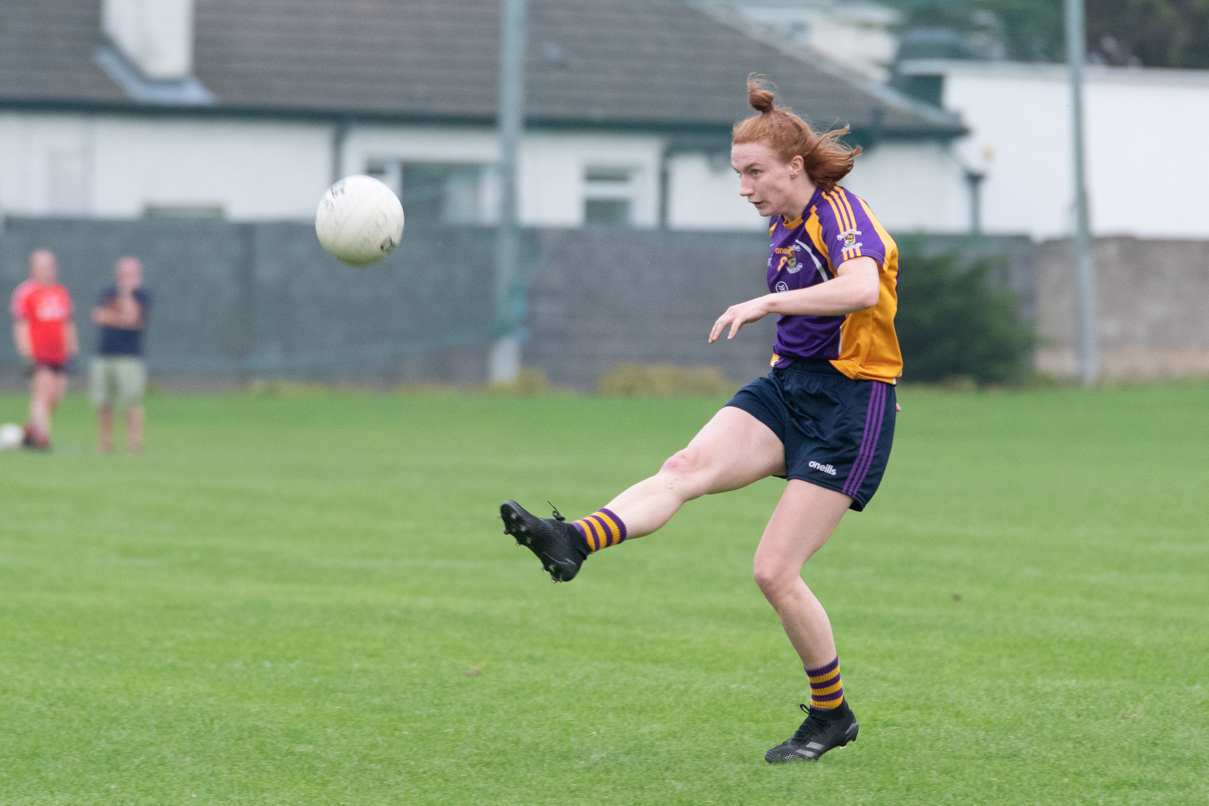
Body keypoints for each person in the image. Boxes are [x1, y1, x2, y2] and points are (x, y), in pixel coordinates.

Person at [498, 77, 904, 764]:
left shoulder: (838, 213)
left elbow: (864, 286)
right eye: (737, 174)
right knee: (682, 468)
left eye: (754, 174)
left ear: (794, 167)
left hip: (850, 407)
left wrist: (766, 304)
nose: (744, 188)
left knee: (774, 571)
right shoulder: (782, 221)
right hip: (787, 390)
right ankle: (572, 540)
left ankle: (831, 715)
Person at [10, 249, 78, 451]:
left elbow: (67, 323)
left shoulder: (61, 292)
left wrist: (72, 348)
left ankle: (30, 432)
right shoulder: (26, 293)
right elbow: (21, 324)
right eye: (41, 267)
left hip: (59, 354)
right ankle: (42, 440)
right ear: (33, 269)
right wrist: (26, 351)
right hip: (39, 354)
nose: (46, 271)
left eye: (49, 267)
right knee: (41, 395)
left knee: (55, 398)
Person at [90, 256, 151, 454]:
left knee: (131, 402)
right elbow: (98, 316)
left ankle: (134, 444)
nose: (127, 278)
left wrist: (125, 295)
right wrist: (121, 318)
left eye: (131, 274)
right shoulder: (107, 293)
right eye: (124, 274)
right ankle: (104, 444)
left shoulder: (142, 296)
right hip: (105, 354)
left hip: (129, 357)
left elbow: (134, 318)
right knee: (103, 402)